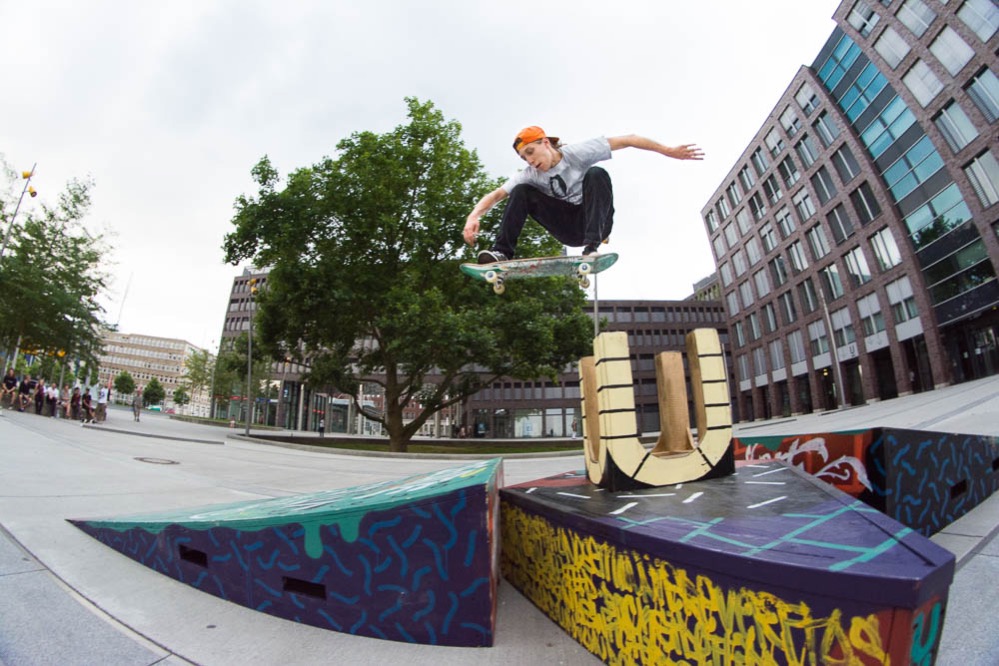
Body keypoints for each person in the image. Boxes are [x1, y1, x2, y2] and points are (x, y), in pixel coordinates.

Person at [463, 126, 703, 263]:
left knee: (596, 173)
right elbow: (496, 195)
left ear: (545, 142)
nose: (530, 161)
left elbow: (628, 139)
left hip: (597, 222)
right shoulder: (529, 174)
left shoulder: (577, 153)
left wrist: (668, 150)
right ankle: (502, 253)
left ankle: (592, 247)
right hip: (568, 228)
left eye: (531, 152)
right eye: (524, 157)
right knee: (521, 191)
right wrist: (473, 216)